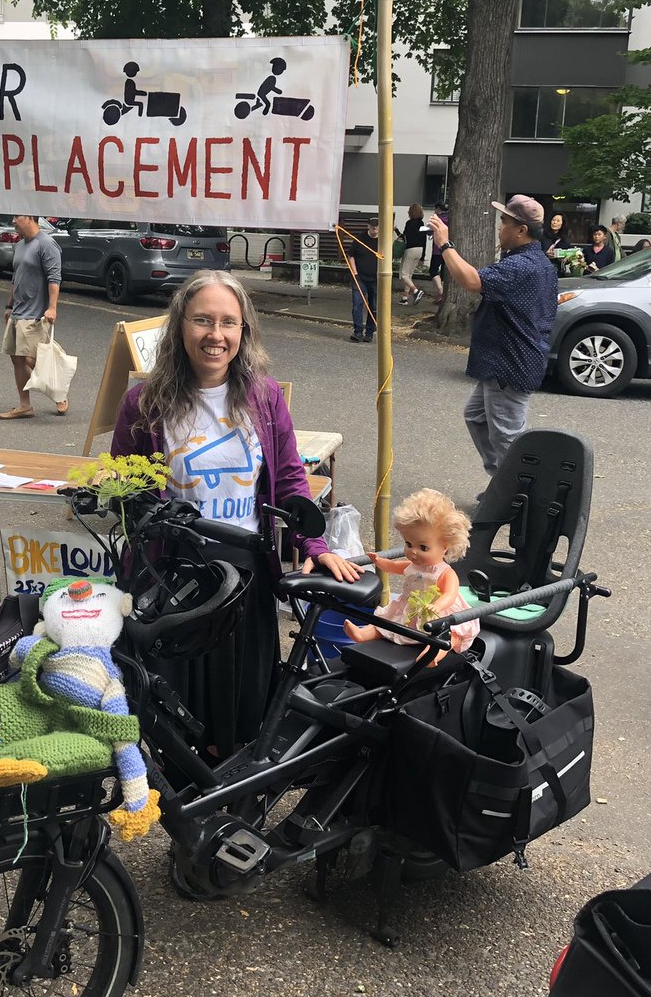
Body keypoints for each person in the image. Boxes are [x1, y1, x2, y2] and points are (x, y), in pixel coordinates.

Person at [111, 270, 362, 758]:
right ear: (180, 325)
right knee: (176, 708)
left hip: (246, 570)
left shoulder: (264, 398)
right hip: (173, 575)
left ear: (244, 330)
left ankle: (233, 787)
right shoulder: (144, 403)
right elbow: (127, 491)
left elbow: (289, 479)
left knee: (241, 704)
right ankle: (183, 790)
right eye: (202, 320)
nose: (216, 334)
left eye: (229, 322)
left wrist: (314, 545)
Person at [428, 194, 557, 493]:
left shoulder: (522, 265)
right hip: (509, 360)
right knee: (476, 417)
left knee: (507, 436)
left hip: (509, 363)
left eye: (505, 222)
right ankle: (504, 483)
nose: (500, 227)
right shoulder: (537, 262)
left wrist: (445, 245)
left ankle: (523, 495)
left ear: (521, 230)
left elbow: (472, 281)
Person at [343, 488, 479, 665]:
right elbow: (395, 567)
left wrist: (437, 606)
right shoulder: (413, 566)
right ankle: (363, 634)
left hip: (436, 612)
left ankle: (433, 654)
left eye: (423, 547)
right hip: (411, 608)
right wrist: (380, 561)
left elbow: (450, 594)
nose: (413, 552)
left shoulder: (445, 572)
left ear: (445, 547)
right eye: (408, 544)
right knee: (386, 621)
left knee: (449, 635)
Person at [0, 214, 64, 419]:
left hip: (36, 312)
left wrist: (52, 307)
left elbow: (54, 278)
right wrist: (9, 305)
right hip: (18, 311)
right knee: (17, 358)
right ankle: (24, 405)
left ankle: (59, 391)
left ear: (29, 218)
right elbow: (15, 277)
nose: (13, 221)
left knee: (31, 358)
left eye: (16, 217)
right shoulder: (20, 245)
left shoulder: (46, 244)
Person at [348, 217, 379, 342]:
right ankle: (358, 332)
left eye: (377, 225)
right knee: (357, 304)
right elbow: (351, 256)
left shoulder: (383, 241)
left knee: (373, 306)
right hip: (360, 277)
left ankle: (369, 333)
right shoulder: (359, 239)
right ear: (368, 226)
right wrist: (355, 273)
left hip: (376, 278)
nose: (374, 228)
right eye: (372, 225)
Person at [398, 203, 427, 305]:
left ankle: (416, 291)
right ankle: (405, 298)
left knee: (404, 274)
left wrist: (396, 230)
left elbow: (404, 237)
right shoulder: (422, 224)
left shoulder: (409, 223)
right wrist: (423, 256)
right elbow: (424, 240)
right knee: (409, 275)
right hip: (420, 250)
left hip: (410, 249)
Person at [428, 202, 449, 302]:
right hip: (448, 249)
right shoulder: (451, 218)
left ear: (438, 208)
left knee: (433, 270)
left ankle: (440, 291)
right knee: (445, 272)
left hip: (437, 249)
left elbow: (429, 230)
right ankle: (445, 293)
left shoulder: (436, 219)